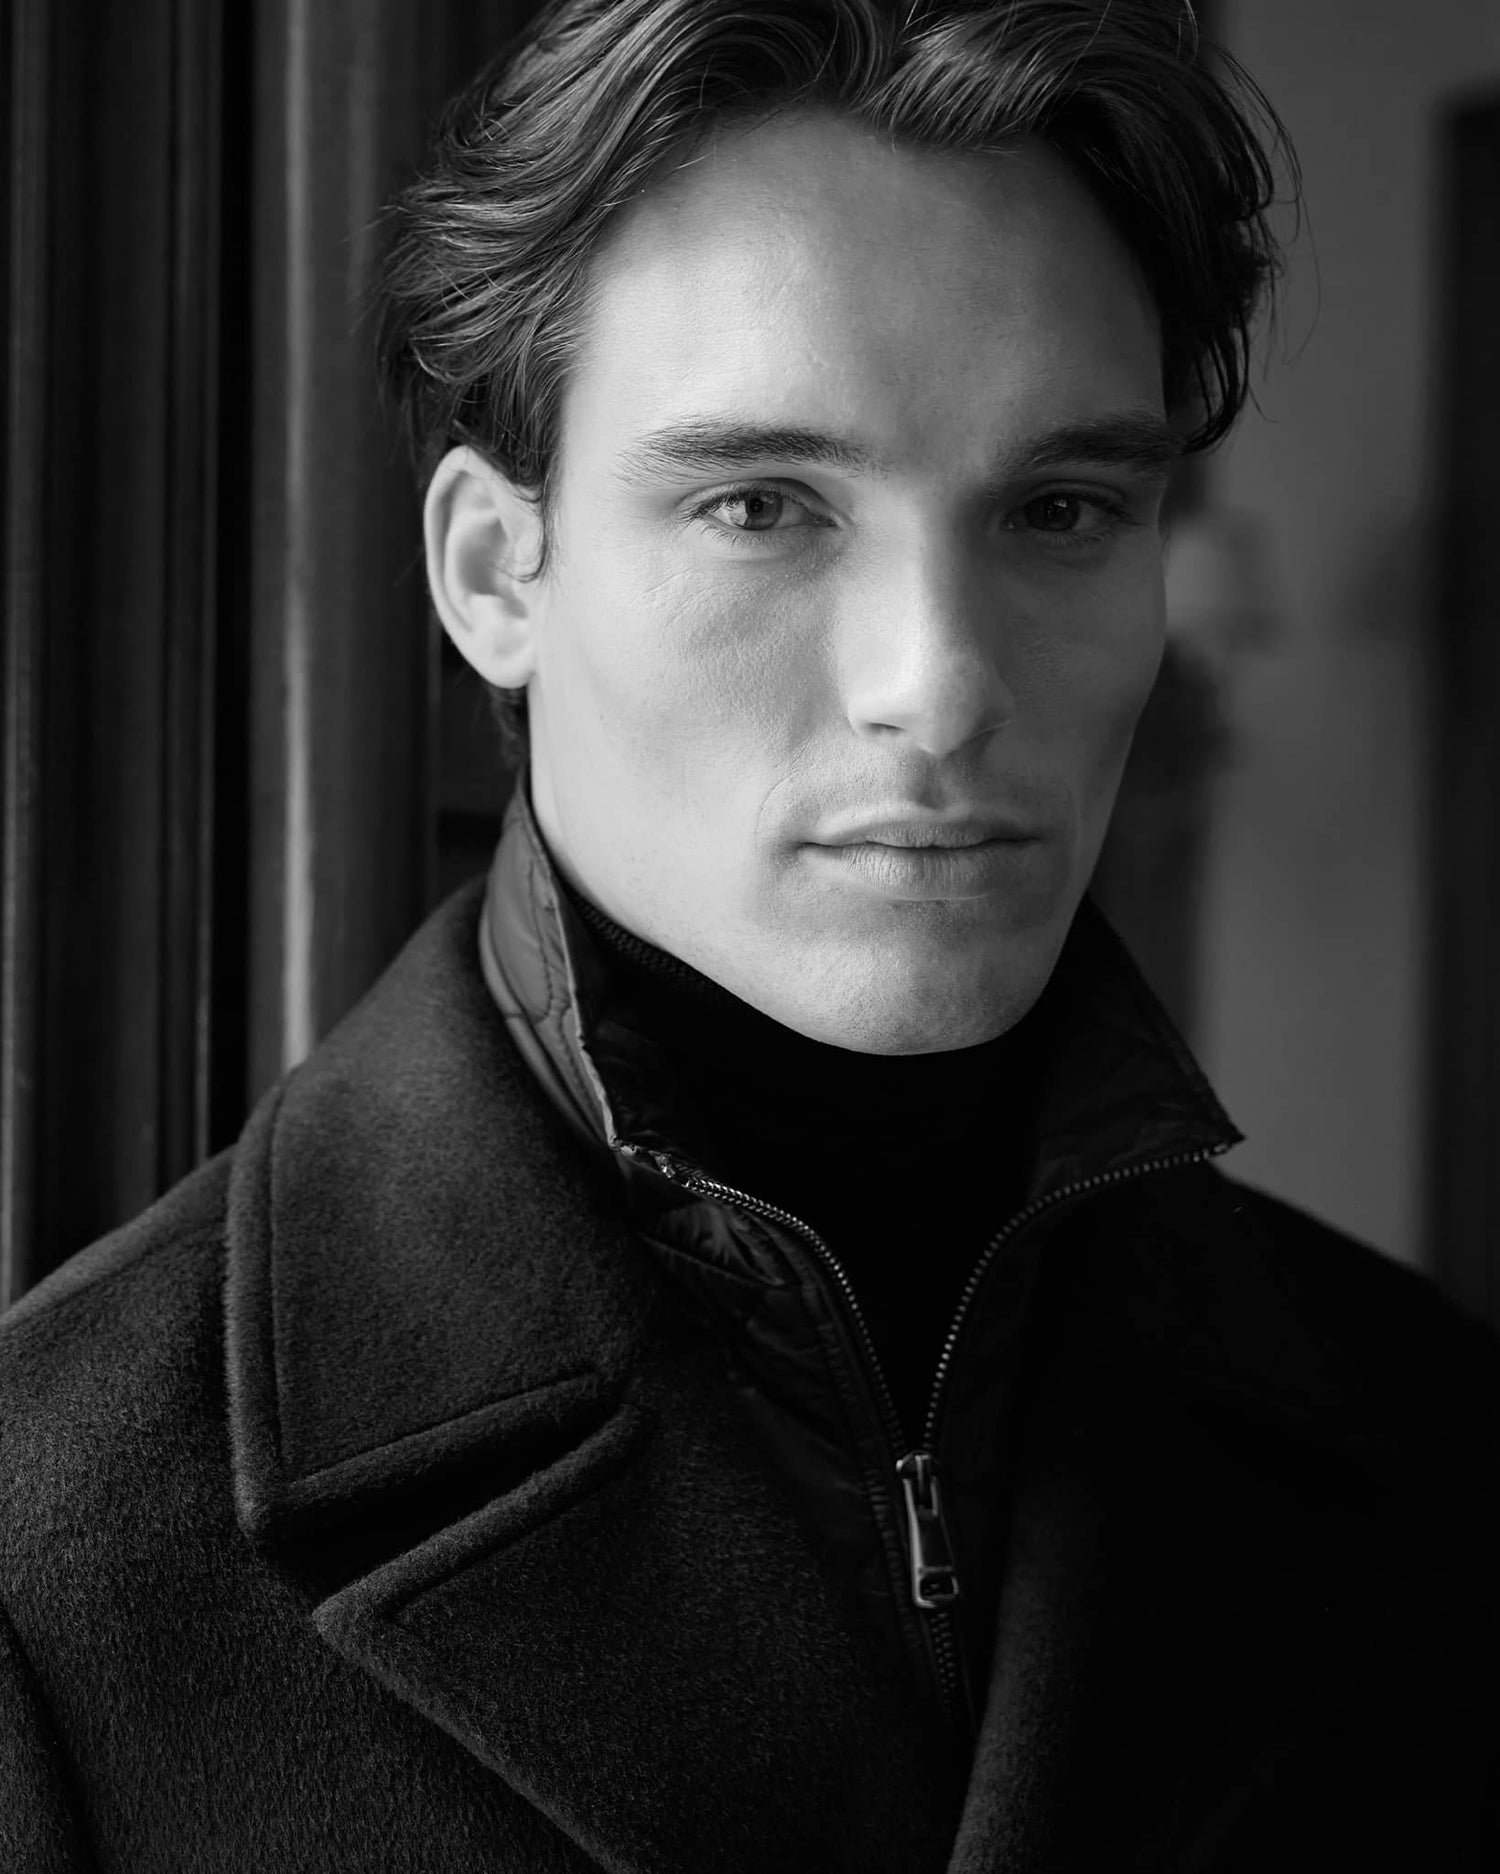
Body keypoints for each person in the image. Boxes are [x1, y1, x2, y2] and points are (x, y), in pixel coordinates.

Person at [3, 1, 1497, 1867]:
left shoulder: (1444, 1440)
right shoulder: (52, 1561)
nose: (939, 683)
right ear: (494, 571)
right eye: (762, 506)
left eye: (1061, 507)